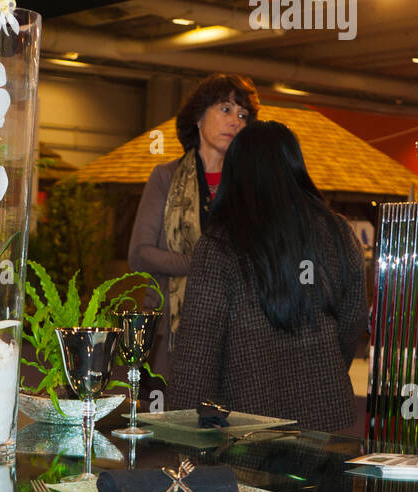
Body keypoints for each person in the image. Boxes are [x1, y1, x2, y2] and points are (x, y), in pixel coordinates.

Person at [167, 120, 367, 433]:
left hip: (245, 425)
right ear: (295, 165)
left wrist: (178, 430)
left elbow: (198, 351)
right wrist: (321, 366)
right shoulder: (338, 231)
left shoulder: (221, 244)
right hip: (327, 418)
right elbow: (353, 320)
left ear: (235, 172)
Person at [128, 73, 259, 382]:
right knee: (166, 422)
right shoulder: (165, 177)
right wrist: (202, 264)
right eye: (225, 110)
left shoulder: (248, 186)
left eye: (243, 115)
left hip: (233, 332)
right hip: (169, 330)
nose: (235, 121)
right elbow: (139, 254)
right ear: (199, 116)